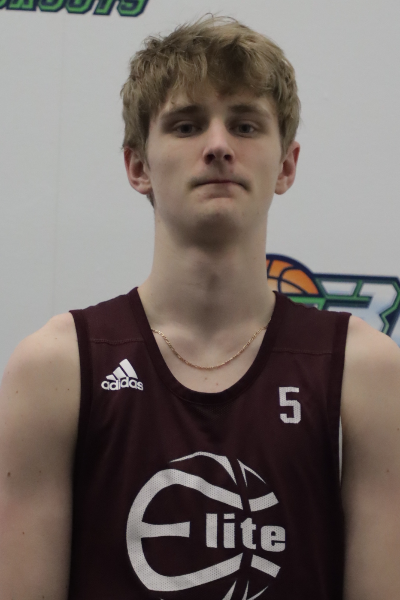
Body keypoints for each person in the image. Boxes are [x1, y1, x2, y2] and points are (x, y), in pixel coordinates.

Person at [1, 15, 400, 600]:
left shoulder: (366, 371)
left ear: (287, 165)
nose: (218, 146)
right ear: (138, 166)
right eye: (186, 126)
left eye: (245, 125)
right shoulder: (56, 368)